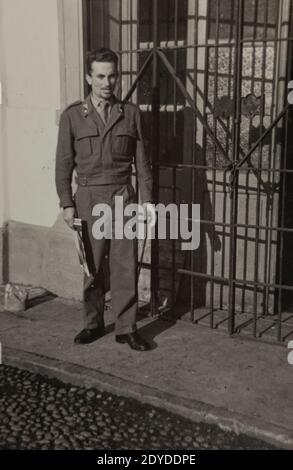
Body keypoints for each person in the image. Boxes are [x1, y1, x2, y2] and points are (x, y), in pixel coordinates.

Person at [55, 48, 155, 351]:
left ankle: (126, 328)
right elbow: (63, 165)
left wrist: (147, 201)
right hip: (88, 197)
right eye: (100, 76)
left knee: (125, 266)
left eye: (112, 75)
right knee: (92, 266)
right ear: (89, 77)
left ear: (118, 76)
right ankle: (92, 323)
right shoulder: (73, 116)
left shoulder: (131, 114)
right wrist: (66, 203)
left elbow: (143, 163)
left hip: (123, 196)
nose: (107, 82)